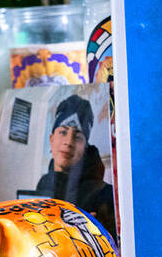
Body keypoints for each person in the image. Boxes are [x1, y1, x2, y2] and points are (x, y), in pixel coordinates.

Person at [36, 94, 116, 239]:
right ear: (51, 139)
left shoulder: (106, 196)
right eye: (63, 132)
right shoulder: (44, 184)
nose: (69, 142)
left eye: (78, 137)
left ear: (85, 148)